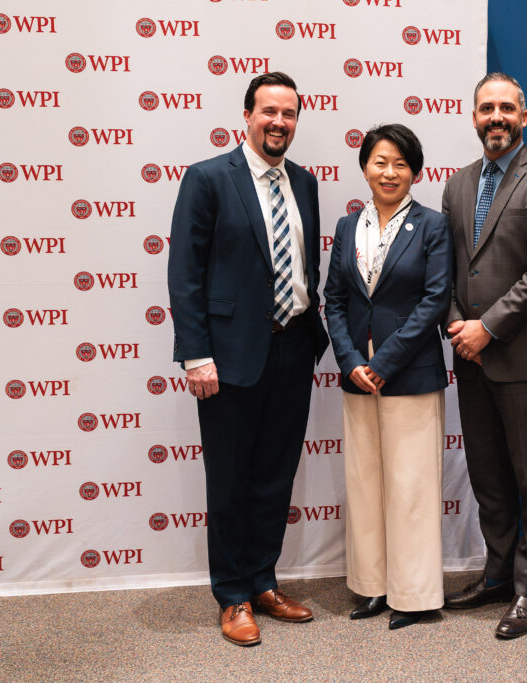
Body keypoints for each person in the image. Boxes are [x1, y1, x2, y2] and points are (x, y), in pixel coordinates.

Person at [167, 71, 329, 647]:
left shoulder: (304, 182)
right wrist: (196, 355)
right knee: (231, 480)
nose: (279, 122)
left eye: (289, 113)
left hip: (293, 349)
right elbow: (185, 273)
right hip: (229, 358)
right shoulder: (209, 178)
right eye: (269, 112)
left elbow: (306, 267)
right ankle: (232, 595)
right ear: (247, 116)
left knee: (274, 477)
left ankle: (263, 581)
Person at [441, 73, 527, 638]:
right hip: (469, 356)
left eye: (505, 108)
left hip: (525, 358)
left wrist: (487, 329)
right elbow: (447, 266)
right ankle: (498, 574)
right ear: (473, 116)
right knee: (488, 477)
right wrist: (456, 324)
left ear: (524, 116)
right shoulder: (457, 184)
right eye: (486, 108)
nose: (495, 117)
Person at [323, 123, 452, 630]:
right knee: (365, 481)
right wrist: (351, 359)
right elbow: (334, 300)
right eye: (380, 162)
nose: (390, 172)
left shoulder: (432, 225)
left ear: (415, 171)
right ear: (364, 168)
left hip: (409, 370)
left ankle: (415, 595)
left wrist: (383, 362)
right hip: (358, 371)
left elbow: (434, 301)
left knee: (411, 485)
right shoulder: (346, 226)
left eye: (400, 163)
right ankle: (373, 586)